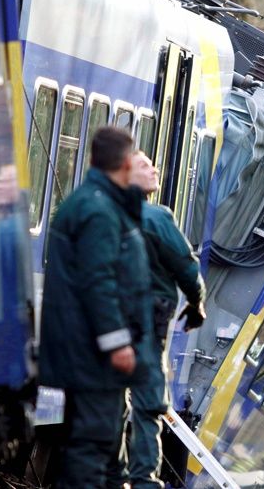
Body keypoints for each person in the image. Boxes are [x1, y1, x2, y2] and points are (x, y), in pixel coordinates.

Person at [38, 127, 155, 488]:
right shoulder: (100, 211)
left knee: (102, 450)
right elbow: (98, 281)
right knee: (92, 446)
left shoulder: (97, 203)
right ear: (123, 163)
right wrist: (117, 342)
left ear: (91, 160)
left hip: (86, 351)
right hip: (92, 355)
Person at [121, 151, 206, 488]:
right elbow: (187, 267)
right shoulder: (156, 218)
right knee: (147, 401)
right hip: (143, 322)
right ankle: (142, 479)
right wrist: (197, 302)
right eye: (144, 166)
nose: (155, 168)